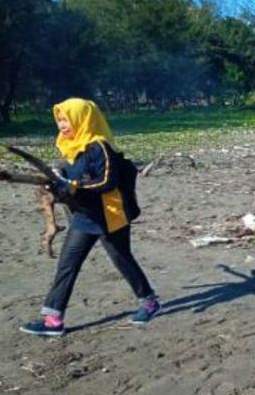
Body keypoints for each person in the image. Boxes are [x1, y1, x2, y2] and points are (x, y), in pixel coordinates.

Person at [20, 98, 158, 337]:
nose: (63, 125)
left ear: (82, 119)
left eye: (67, 119)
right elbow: (70, 174)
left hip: (109, 215)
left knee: (122, 259)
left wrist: (72, 186)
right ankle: (53, 319)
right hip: (84, 215)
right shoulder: (68, 145)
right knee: (67, 264)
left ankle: (149, 302)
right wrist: (57, 178)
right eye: (60, 120)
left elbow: (107, 181)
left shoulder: (99, 146)